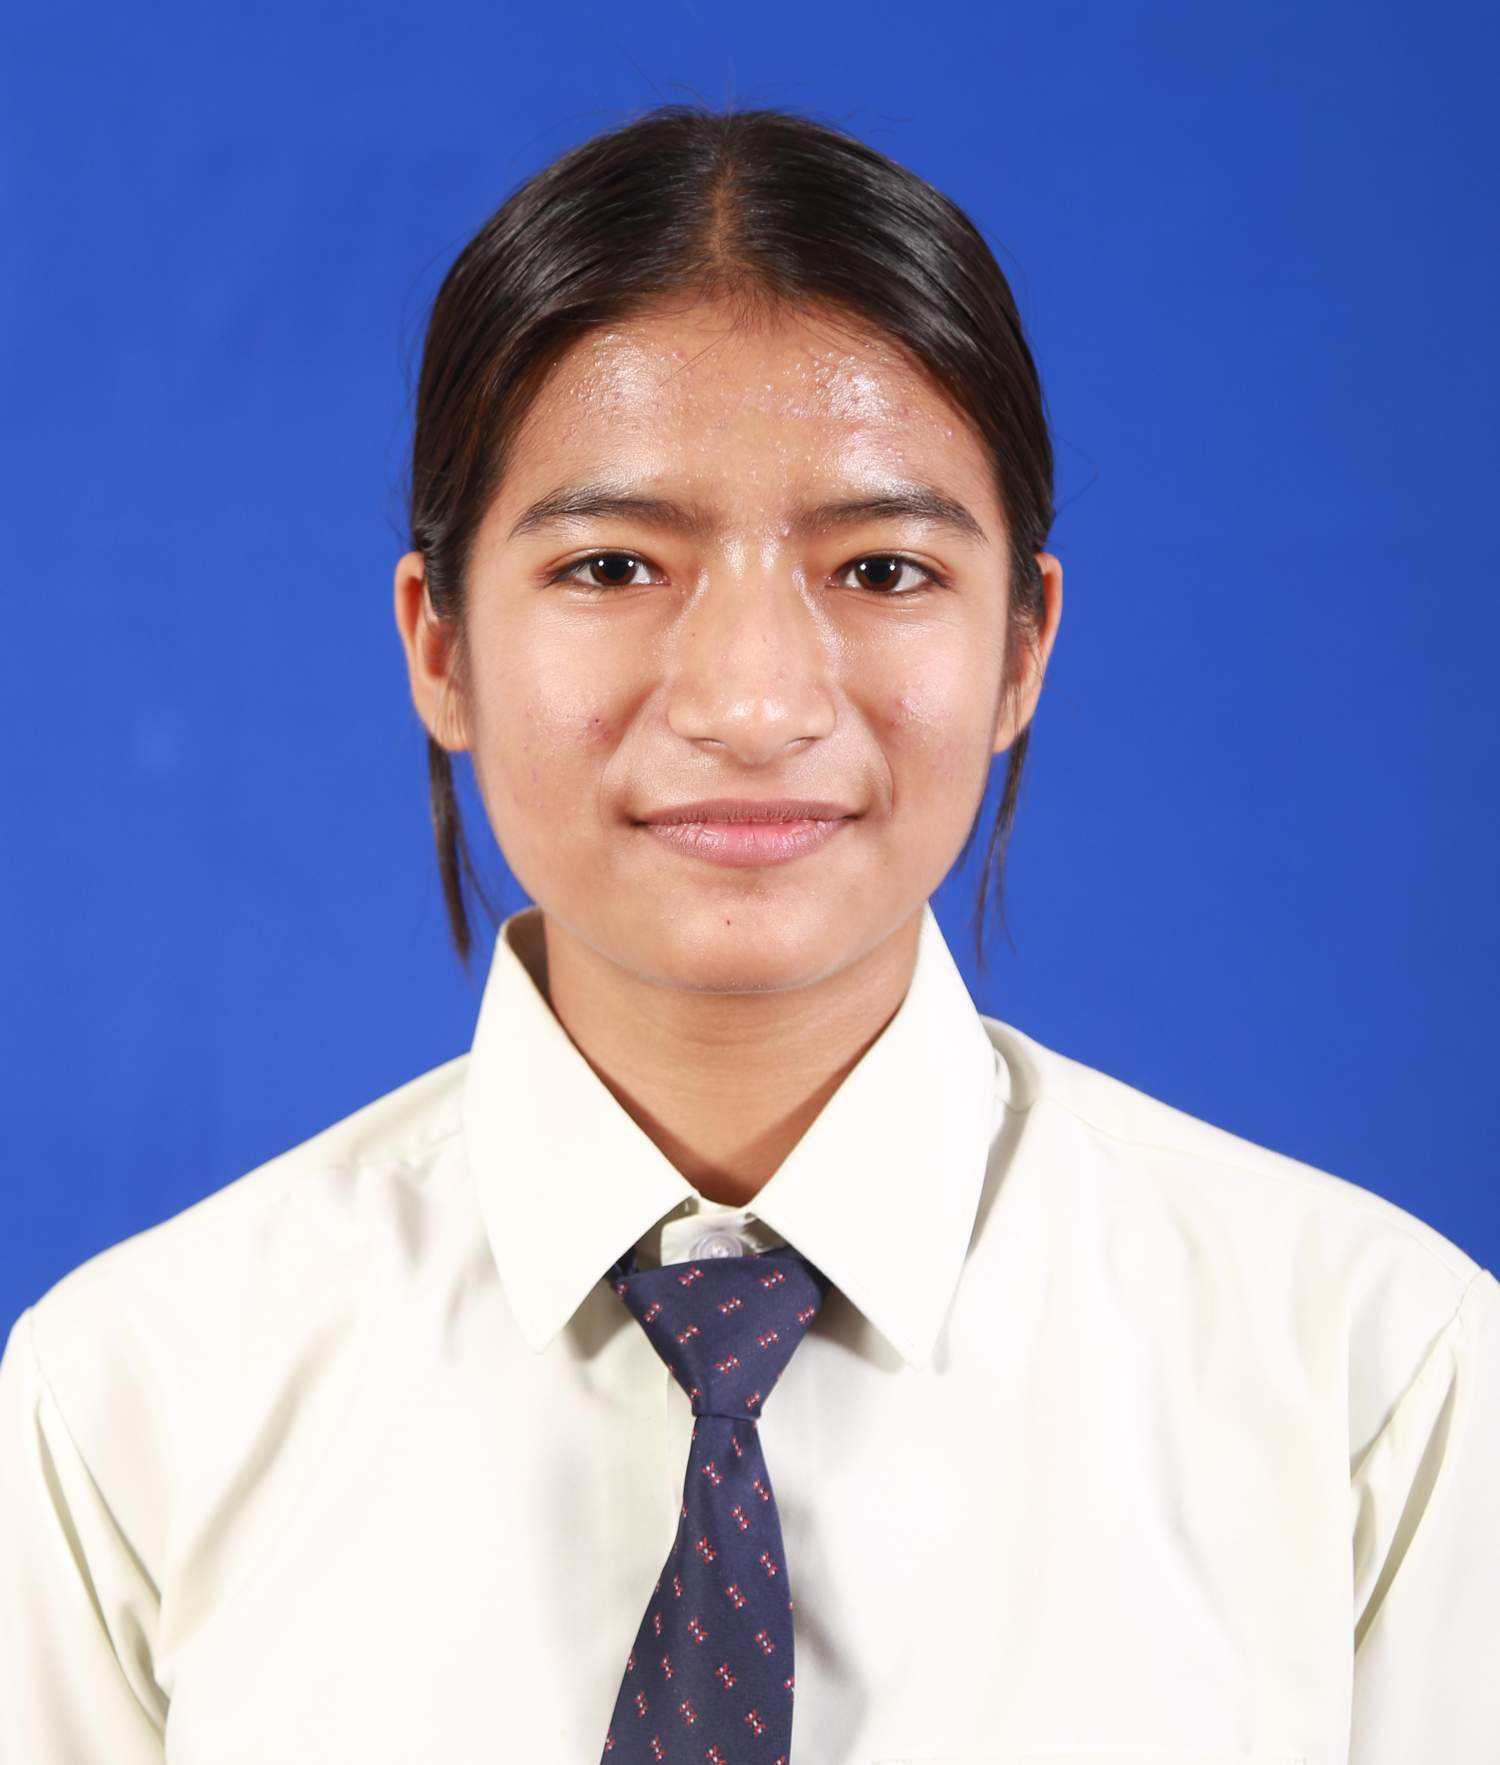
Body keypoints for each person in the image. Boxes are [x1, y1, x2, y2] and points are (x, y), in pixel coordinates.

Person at [1, 103, 1495, 1765]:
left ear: (1022, 647)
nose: (754, 699)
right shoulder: (131, 1408)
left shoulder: (1378, 1389)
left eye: (881, 570)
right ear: (440, 645)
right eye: (613, 564)